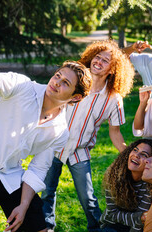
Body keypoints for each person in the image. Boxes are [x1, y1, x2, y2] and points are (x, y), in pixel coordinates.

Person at [0, 25, 92, 232]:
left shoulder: (60, 132)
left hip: (9, 174)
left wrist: (24, 206)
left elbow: (38, 168)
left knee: (38, 228)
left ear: (75, 97)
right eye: (58, 76)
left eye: (65, 83)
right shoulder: (22, 87)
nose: (56, 82)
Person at [41, 40, 135, 231]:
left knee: (88, 198)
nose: (98, 61)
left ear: (113, 68)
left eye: (105, 60)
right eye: (97, 57)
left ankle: (96, 228)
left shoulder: (113, 98)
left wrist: (127, 154)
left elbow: (115, 132)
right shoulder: (76, 83)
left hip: (79, 151)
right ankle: (46, 226)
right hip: (54, 145)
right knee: (47, 191)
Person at [100, 139, 152, 232]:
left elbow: (141, 221)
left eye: (144, 155)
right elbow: (111, 214)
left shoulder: (150, 184)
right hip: (112, 225)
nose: (136, 155)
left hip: (137, 228)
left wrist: (140, 218)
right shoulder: (114, 174)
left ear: (150, 162)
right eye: (135, 150)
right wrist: (139, 218)